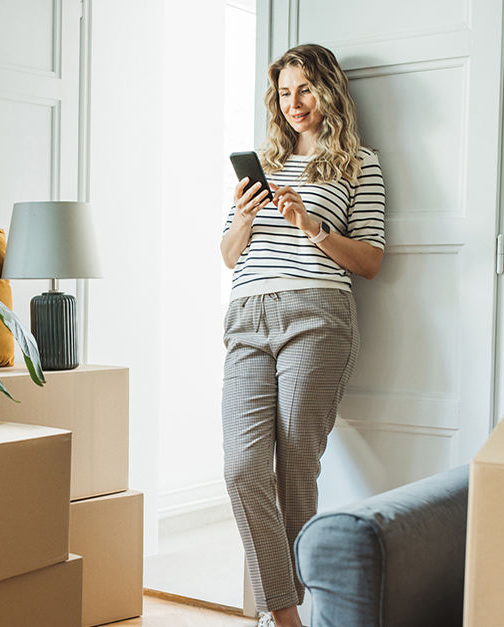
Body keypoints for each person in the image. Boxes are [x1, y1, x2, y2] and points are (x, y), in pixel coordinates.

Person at [219, 43, 385, 627]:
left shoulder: (357, 163)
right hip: (246, 318)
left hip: (317, 315)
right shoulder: (261, 166)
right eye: (285, 92)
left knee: (295, 466)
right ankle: (284, 606)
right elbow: (229, 255)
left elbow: (369, 261)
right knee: (241, 468)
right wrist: (243, 218)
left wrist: (311, 226)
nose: (295, 103)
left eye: (306, 90)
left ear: (329, 92)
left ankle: (285, 618)